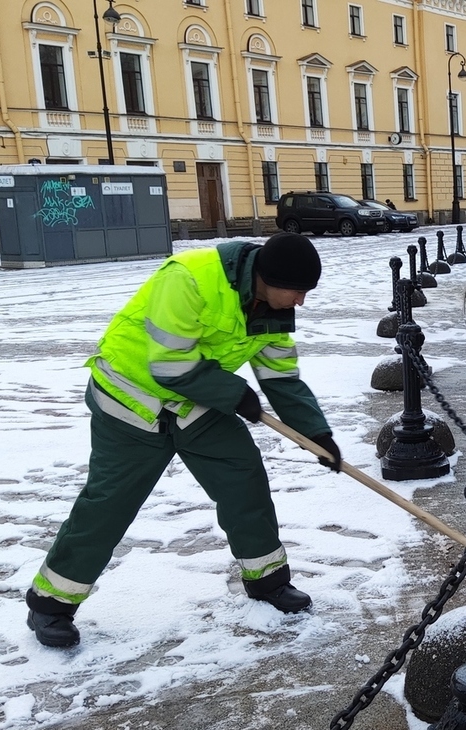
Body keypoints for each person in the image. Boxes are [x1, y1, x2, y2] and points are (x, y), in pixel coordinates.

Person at [24, 232, 341, 648]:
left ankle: (268, 582)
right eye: (297, 291)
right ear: (266, 277)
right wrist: (235, 395)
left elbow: (281, 376)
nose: (301, 301)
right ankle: (50, 605)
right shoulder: (189, 278)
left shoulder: (270, 310)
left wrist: (316, 433)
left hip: (197, 406)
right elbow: (170, 366)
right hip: (131, 400)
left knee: (243, 481)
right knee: (109, 503)